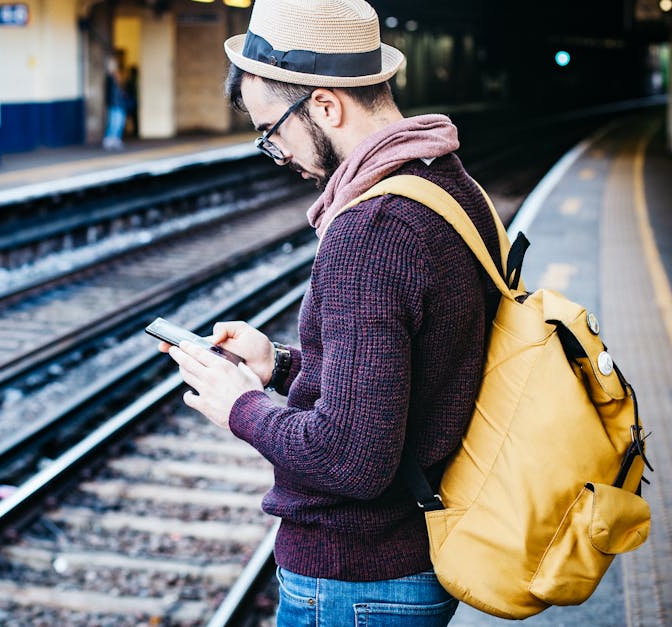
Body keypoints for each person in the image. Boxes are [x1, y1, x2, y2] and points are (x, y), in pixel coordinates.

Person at [158, 1, 503, 625]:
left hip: (356, 578)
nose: (278, 152)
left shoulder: (369, 230)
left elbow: (351, 457)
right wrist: (281, 365)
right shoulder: (449, 183)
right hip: (410, 557)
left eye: (274, 131)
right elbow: (408, 374)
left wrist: (240, 405)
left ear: (323, 105)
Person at [103, 54, 127, 150]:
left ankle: (115, 139)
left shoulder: (117, 82)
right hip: (114, 104)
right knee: (114, 122)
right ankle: (109, 139)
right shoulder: (110, 79)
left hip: (120, 104)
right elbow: (110, 92)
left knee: (119, 122)